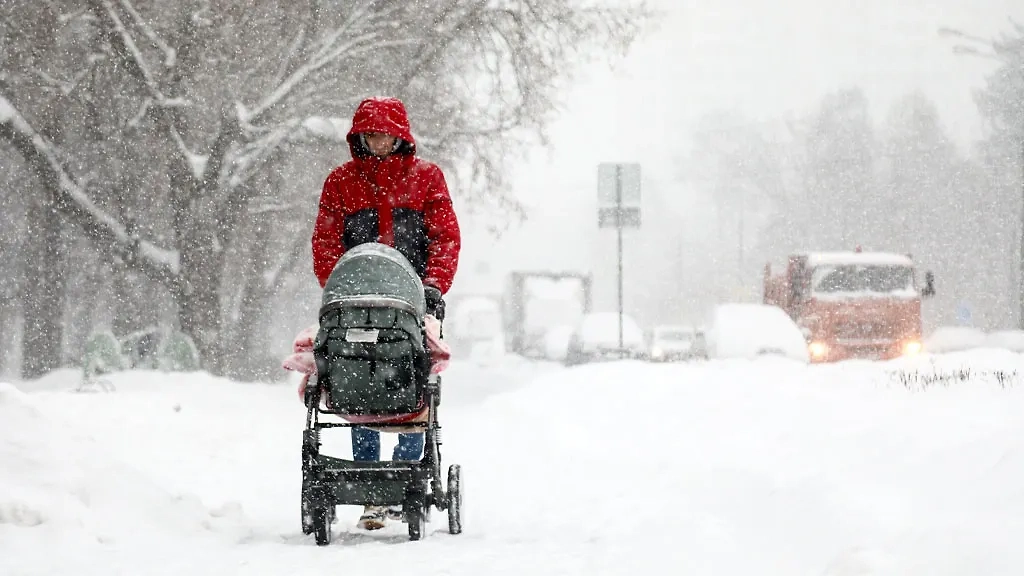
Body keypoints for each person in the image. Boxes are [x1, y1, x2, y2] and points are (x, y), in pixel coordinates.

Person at [311, 96, 461, 530]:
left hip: (411, 304)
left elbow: (444, 236)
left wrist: (433, 284)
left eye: (383, 133)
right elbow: (326, 242)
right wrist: (338, 285)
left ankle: (404, 473)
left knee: (413, 377)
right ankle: (370, 481)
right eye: (369, 133)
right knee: (356, 379)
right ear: (358, 136)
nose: (376, 140)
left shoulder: (426, 179)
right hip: (356, 305)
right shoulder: (341, 183)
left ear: (400, 135)